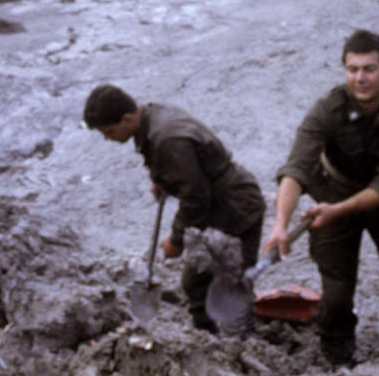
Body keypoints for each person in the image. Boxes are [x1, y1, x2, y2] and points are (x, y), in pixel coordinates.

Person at [263, 30, 379, 366]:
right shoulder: (326, 111)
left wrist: (339, 210)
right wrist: (280, 225)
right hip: (333, 193)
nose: (360, 78)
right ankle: (337, 358)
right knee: (336, 292)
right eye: (352, 69)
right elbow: (296, 169)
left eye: (370, 69)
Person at [83, 85, 265, 333]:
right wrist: (162, 177)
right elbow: (189, 164)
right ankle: (221, 332)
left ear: (127, 119)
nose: (107, 138)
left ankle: (225, 339)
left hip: (234, 206)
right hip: (224, 197)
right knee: (210, 281)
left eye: (109, 131)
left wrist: (177, 240)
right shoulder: (153, 115)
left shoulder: (166, 139)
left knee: (208, 281)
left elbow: (195, 198)